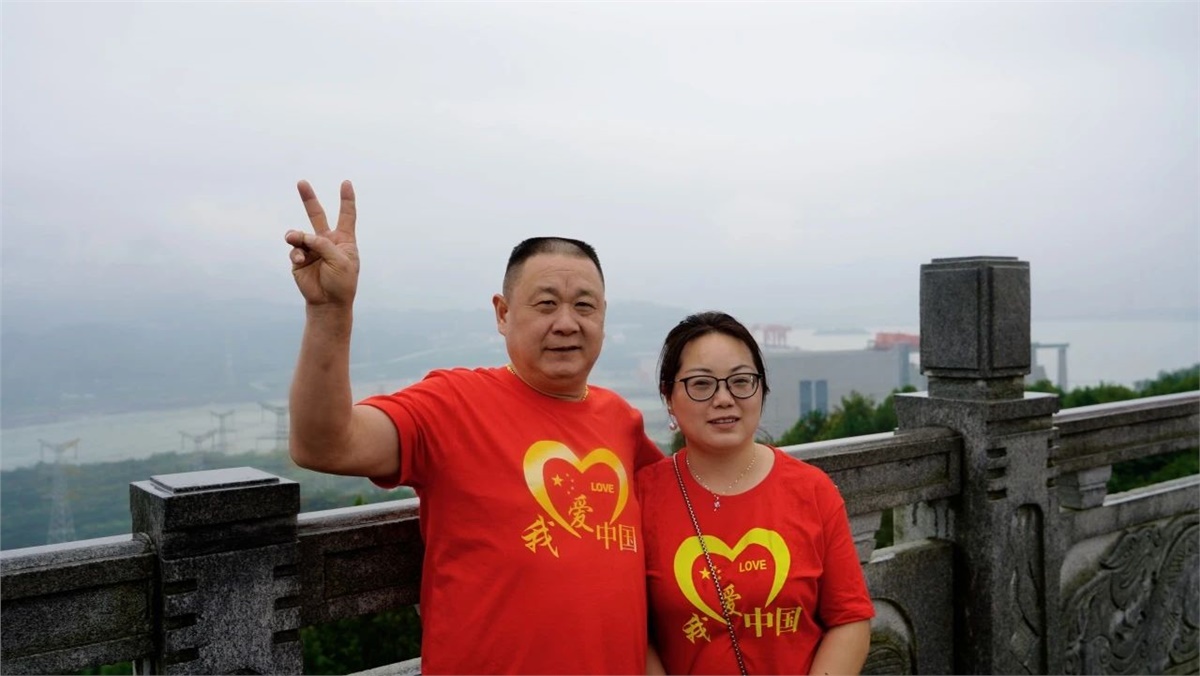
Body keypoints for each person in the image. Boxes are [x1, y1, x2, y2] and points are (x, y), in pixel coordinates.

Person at [283, 180, 664, 674]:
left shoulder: (621, 421)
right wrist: (330, 310)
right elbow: (325, 444)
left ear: (604, 316)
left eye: (584, 306)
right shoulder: (452, 403)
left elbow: (685, 504)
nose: (567, 323)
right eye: (546, 304)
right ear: (503, 314)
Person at [636, 311, 874, 675]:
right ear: (669, 396)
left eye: (741, 381)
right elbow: (633, 630)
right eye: (701, 384)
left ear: (761, 389)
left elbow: (849, 618)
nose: (724, 398)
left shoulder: (812, 490)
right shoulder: (643, 496)